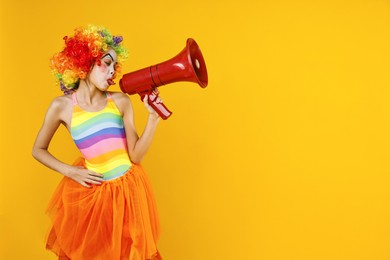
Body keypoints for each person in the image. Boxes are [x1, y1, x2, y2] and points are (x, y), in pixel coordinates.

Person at [32, 24, 162, 260]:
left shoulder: (120, 101)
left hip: (128, 193)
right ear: (84, 63)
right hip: (93, 198)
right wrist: (70, 171)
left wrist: (153, 118)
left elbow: (136, 156)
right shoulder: (61, 107)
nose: (113, 71)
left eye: (115, 64)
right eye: (106, 62)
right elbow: (38, 149)